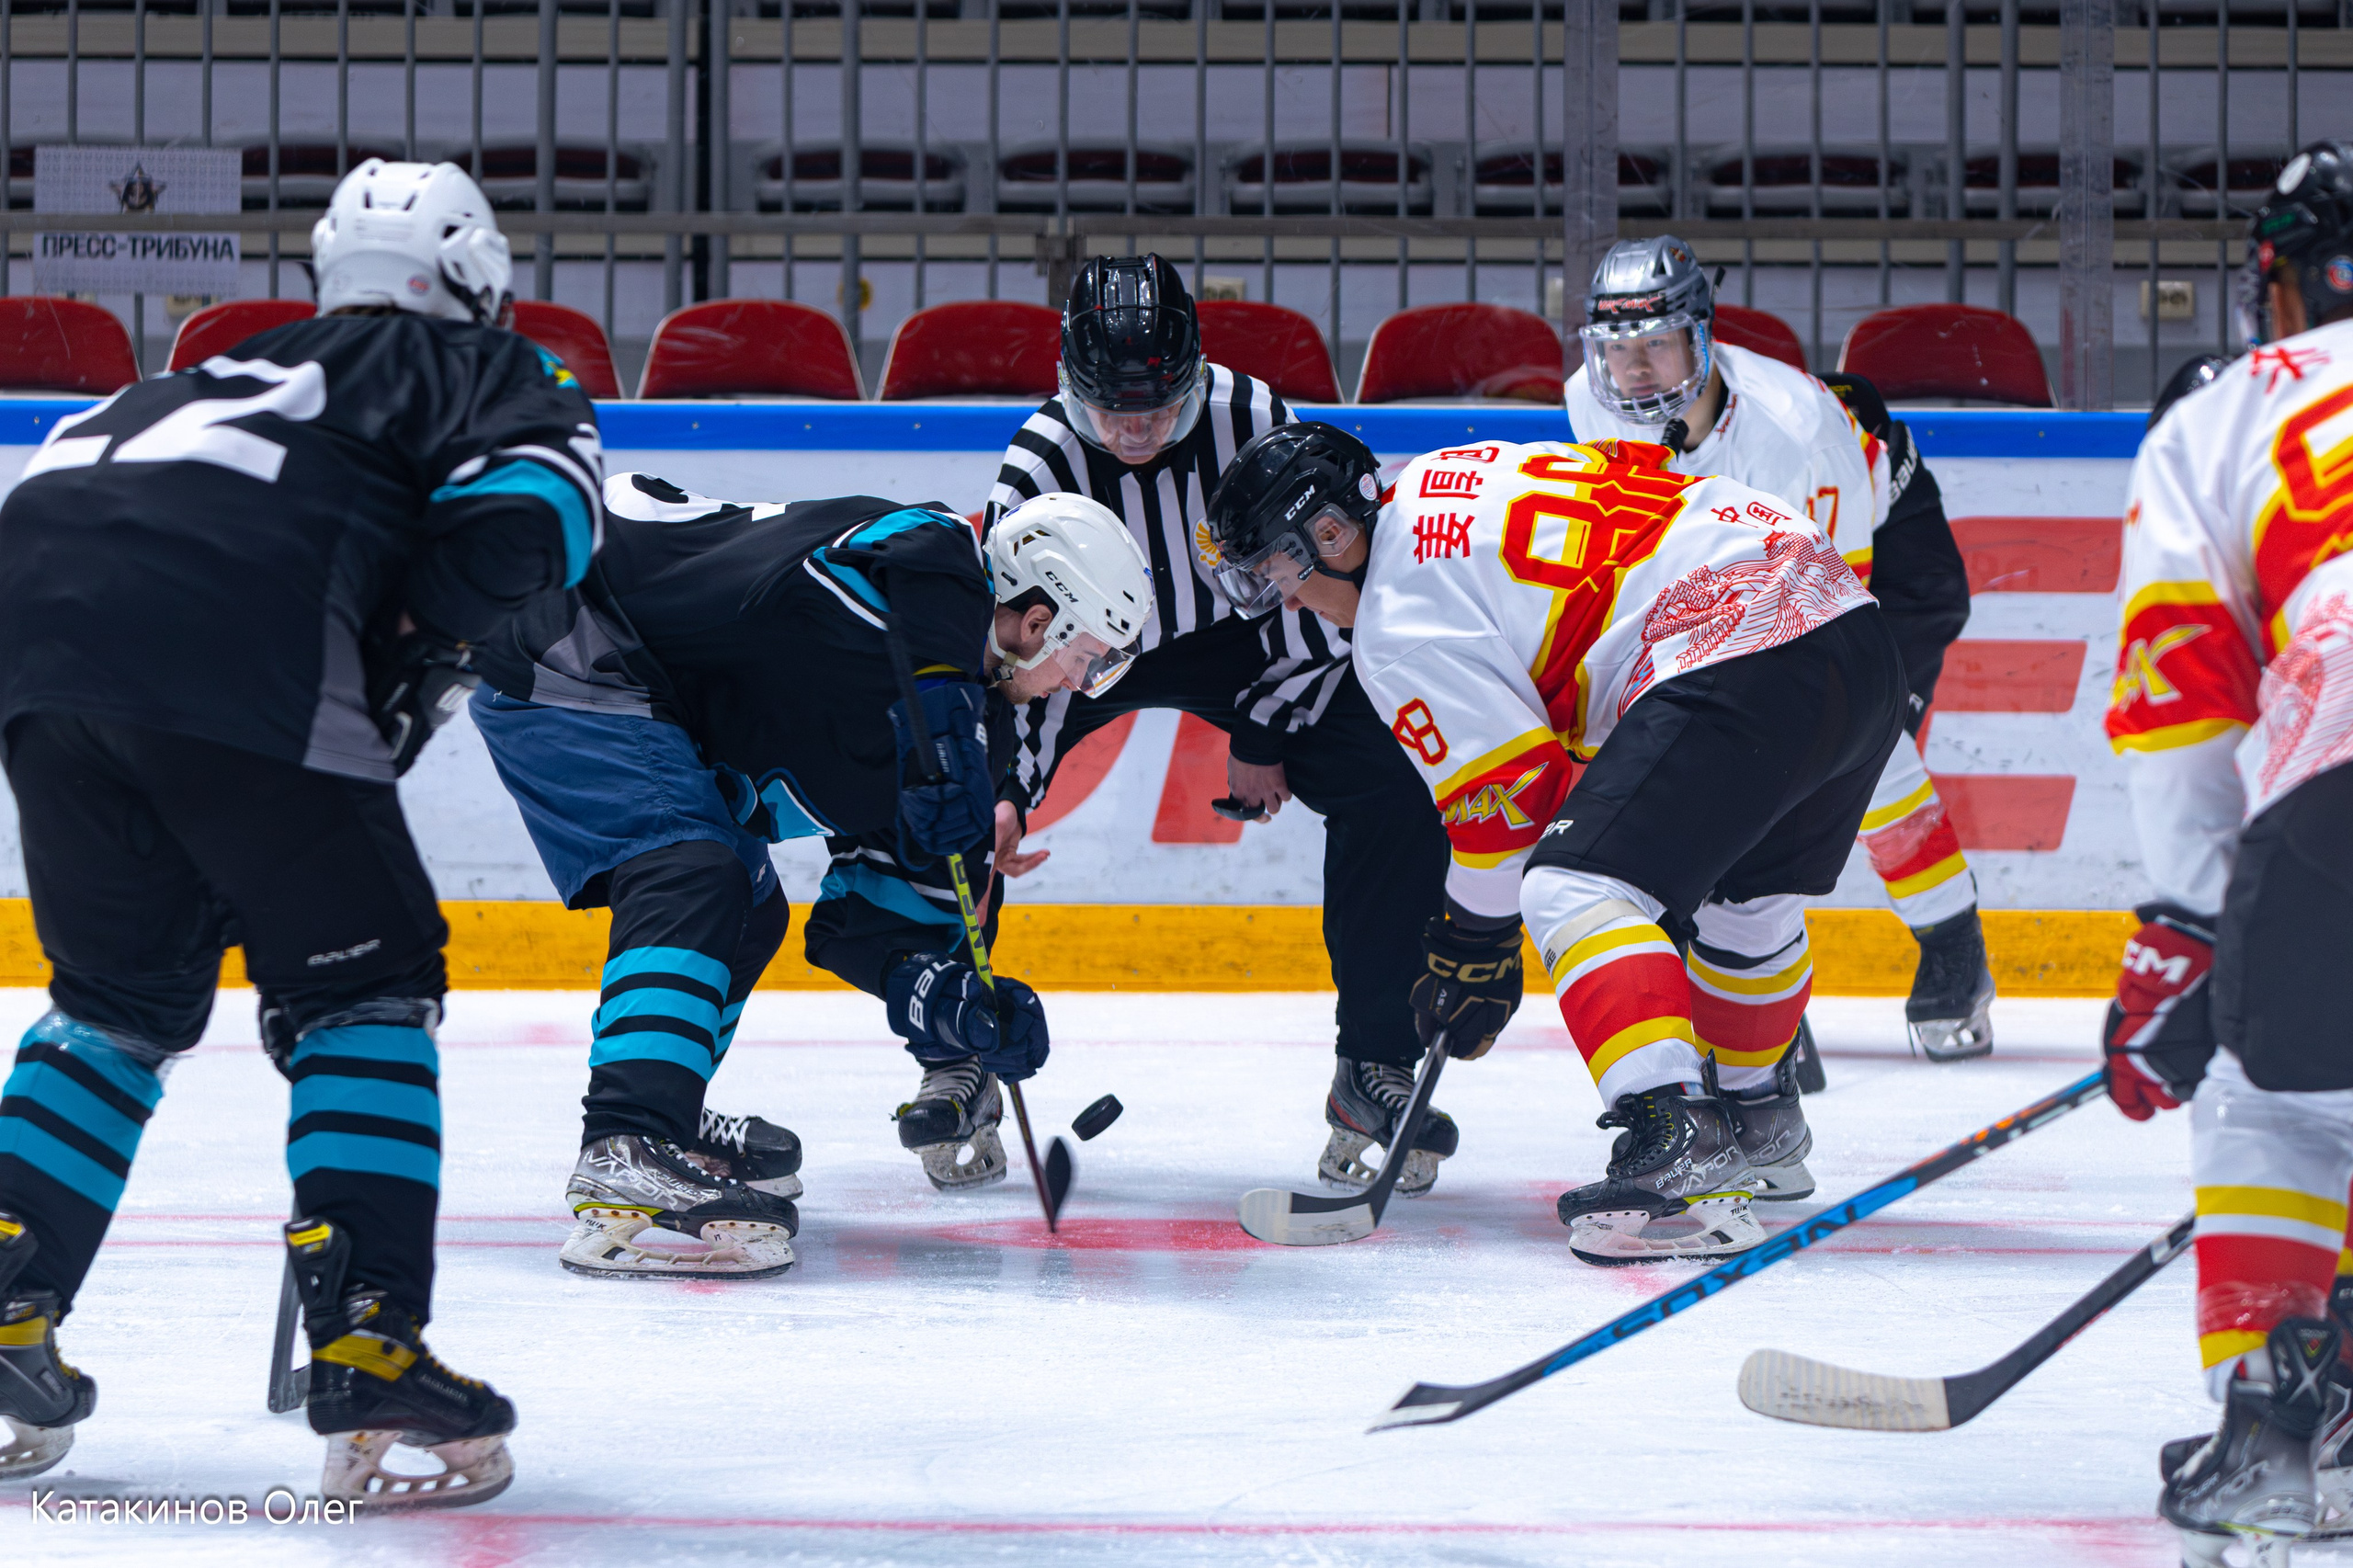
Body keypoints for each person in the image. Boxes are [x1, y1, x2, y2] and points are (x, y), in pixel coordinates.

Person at [0, 159, 598, 1503]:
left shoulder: (201, 369)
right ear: (478, 278)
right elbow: (532, 522)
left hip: (38, 631)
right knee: (367, 988)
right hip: (227, 639)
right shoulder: (496, 372)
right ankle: (370, 1338)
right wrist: (413, 642)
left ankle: (2, 1296)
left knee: (117, 1004)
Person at [1205, 424, 1904, 1265]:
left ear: (1331, 533)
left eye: (1279, 572)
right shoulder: (1441, 476)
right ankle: (1761, 1123)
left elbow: (1513, 808)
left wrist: (1472, 946)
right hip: (1849, 628)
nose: (1284, 598)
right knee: (1746, 904)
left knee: (1571, 886)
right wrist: (1478, 943)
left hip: (1736, 635)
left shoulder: (1397, 619)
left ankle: (1681, 1143)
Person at [472, 480, 1153, 1274]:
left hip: (654, 701)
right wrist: (940, 705)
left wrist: (953, 1002)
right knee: (698, 870)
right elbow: (920, 552)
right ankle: (627, 1139)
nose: (1080, 682)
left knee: (751, 909)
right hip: (570, 628)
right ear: (1042, 619)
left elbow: (858, 929)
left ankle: (667, 1119)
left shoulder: (973, 749)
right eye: (1087, 657)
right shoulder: (932, 562)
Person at [989, 254, 1455, 1198]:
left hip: (1243, 643)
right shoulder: (1036, 463)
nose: (1132, 430)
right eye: (1111, 409)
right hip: (1082, 651)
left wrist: (1264, 733)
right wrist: (1006, 792)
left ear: (1194, 377)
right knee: (966, 803)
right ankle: (954, 1053)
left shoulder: (1251, 416)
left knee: (1394, 786)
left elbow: (1303, 592)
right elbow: (1013, 659)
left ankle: (1374, 1064)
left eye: (1156, 409)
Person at [2100, 140, 2353, 1562]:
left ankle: (2274, 1425)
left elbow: (2179, 681)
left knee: (2284, 1087)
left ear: (2281, 281)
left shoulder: (2234, 407)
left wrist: (2191, 928)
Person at [1566, 237, 1993, 1062]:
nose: (1637, 369)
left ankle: (1952, 942)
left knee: (1862, 754)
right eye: (1620, 348)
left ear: (1701, 335)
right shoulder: (1591, 396)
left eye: (1656, 342)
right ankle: (1760, 993)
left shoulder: (1795, 432)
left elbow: (1834, 621)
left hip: (1883, 564)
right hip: (1738, 562)